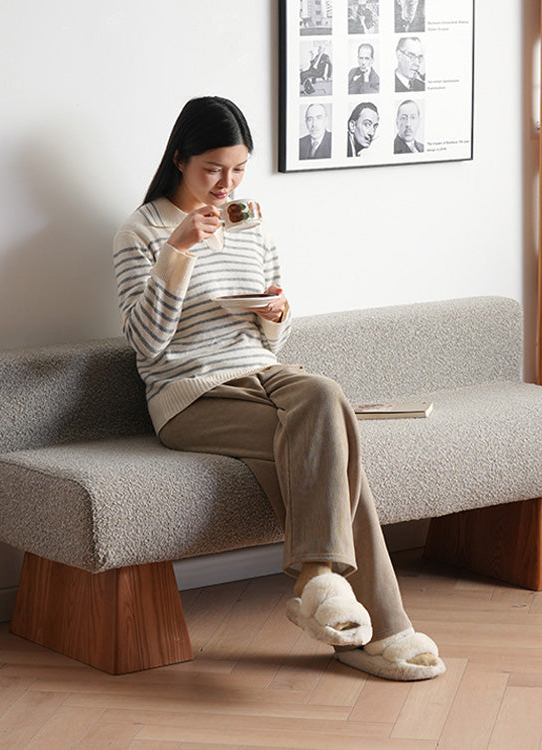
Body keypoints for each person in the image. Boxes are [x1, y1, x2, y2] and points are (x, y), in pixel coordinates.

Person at [113, 96, 445, 682]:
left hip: (260, 372)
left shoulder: (250, 222)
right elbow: (147, 345)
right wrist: (178, 251)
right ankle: (384, 629)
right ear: (179, 158)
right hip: (188, 394)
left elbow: (272, 338)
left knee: (323, 394)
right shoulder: (144, 230)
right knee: (334, 449)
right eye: (214, 168)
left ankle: (320, 579)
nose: (227, 183)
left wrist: (276, 310)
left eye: (239, 168)